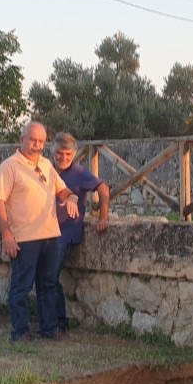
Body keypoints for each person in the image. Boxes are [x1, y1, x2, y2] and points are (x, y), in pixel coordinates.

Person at [0, 122, 79, 342]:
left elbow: (63, 190)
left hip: (50, 236)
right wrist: (7, 235)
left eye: (41, 141)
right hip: (23, 238)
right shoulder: (9, 166)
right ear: (22, 139)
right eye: (33, 140)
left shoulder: (47, 165)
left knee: (48, 284)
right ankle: (20, 332)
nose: (37, 145)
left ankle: (49, 328)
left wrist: (72, 198)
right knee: (21, 286)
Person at [48, 132, 110, 336]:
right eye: (59, 153)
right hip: (46, 231)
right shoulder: (47, 170)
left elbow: (103, 188)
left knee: (50, 277)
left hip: (65, 234)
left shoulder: (79, 172)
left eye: (67, 154)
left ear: (73, 155)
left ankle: (59, 323)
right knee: (44, 278)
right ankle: (50, 321)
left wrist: (103, 217)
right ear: (53, 152)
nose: (63, 158)